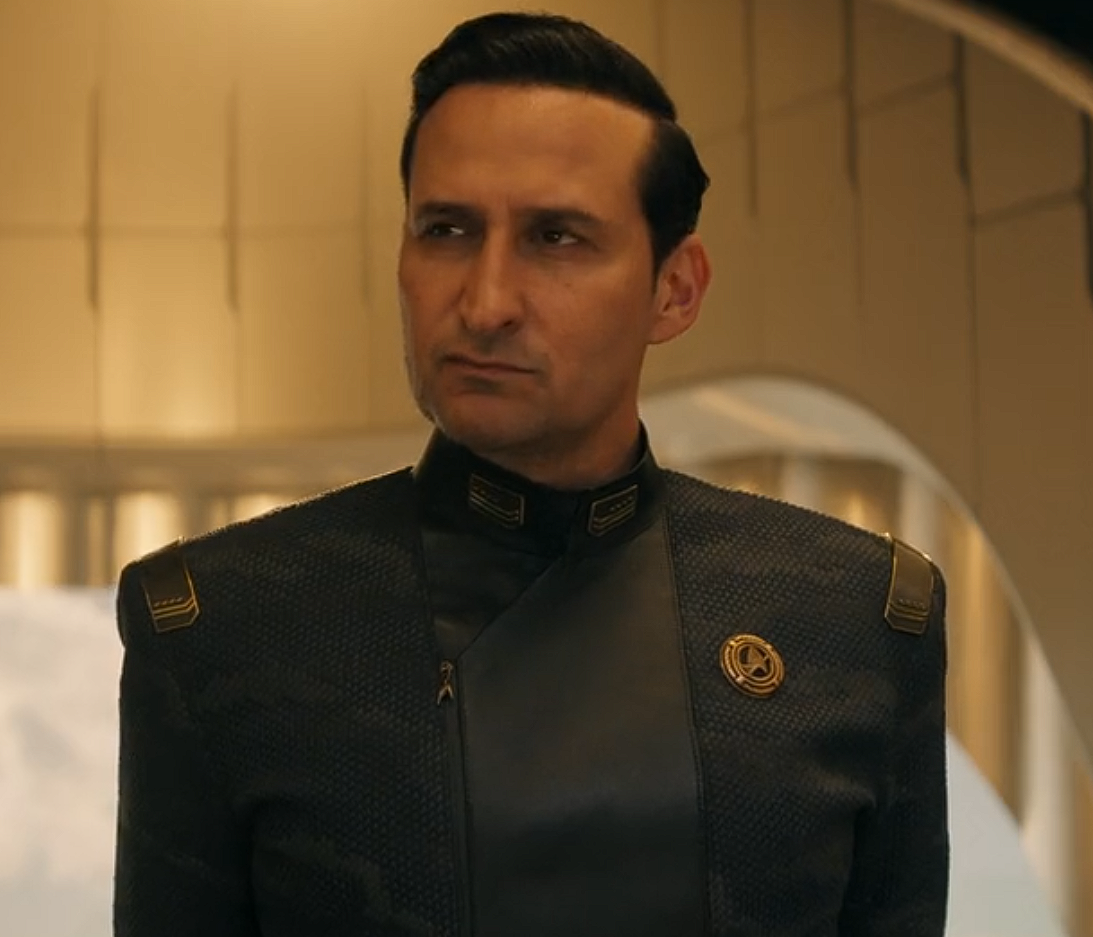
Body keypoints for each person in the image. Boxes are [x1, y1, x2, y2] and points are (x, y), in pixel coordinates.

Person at [113, 11, 948, 937]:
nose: (484, 303)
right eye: (445, 229)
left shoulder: (854, 617)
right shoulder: (226, 624)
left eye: (556, 238)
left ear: (674, 289)